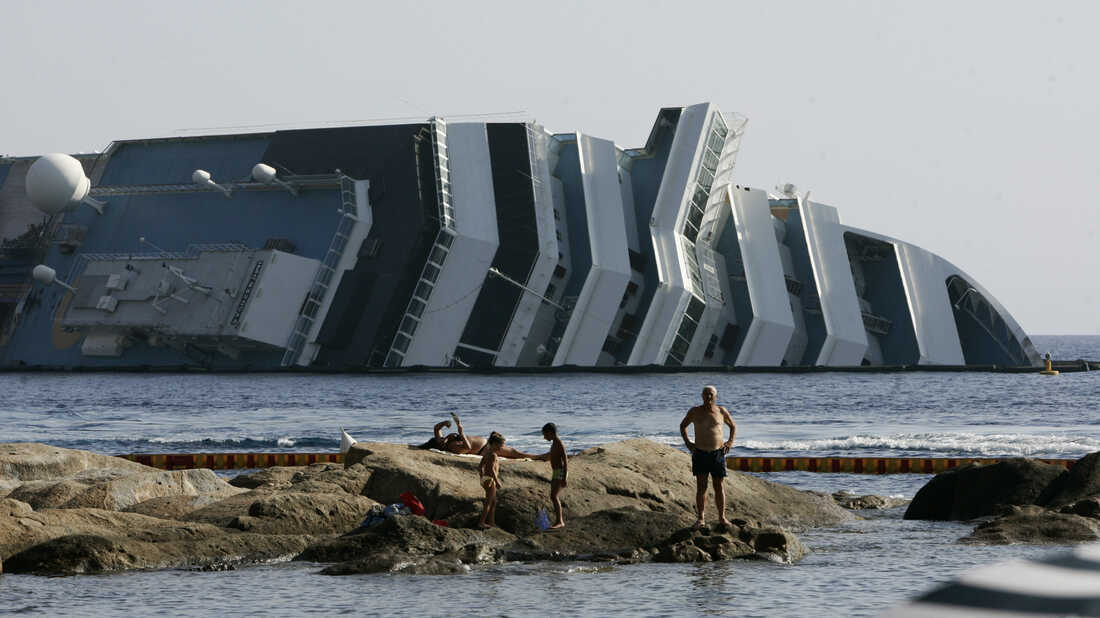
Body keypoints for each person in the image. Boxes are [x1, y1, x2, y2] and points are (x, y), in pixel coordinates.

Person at [679, 385, 736, 528]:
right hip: (700, 453)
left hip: (717, 453)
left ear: (716, 396)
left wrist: (729, 442)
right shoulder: (695, 411)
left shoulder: (721, 411)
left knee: (719, 485)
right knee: (701, 486)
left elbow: (733, 426)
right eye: (706, 394)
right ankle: (701, 518)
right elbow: (683, 426)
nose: (708, 397)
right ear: (702, 396)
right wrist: (687, 443)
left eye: (711, 394)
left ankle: (722, 517)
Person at [418, 413, 534, 459]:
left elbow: (436, 428)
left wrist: (445, 423)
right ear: (440, 447)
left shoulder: (443, 440)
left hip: (487, 442)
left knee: (515, 452)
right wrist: (461, 432)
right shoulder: (452, 447)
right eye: (441, 441)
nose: (443, 439)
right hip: (484, 449)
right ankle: (539, 457)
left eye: (441, 438)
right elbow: (467, 448)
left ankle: (539, 456)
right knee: (516, 454)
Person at [534, 422, 567, 529]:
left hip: (560, 472)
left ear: (551, 433)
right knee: (553, 496)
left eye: (545, 435)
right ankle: (558, 520)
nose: (544, 437)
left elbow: (565, 461)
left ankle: (560, 521)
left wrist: (564, 477)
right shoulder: (554, 443)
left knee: (554, 496)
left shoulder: (559, 443)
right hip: (556, 472)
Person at [477, 432, 505, 529]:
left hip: (485, 479)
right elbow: (493, 470)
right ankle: (481, 522)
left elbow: (480, 466)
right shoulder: (493, 455)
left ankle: (491, 522)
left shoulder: (487, 453)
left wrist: (482, 477)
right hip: (490, 480)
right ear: (494, 444)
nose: (501, 448)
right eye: (500, 445)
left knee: (493, 502)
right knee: (489, 502)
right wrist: (497, 481)